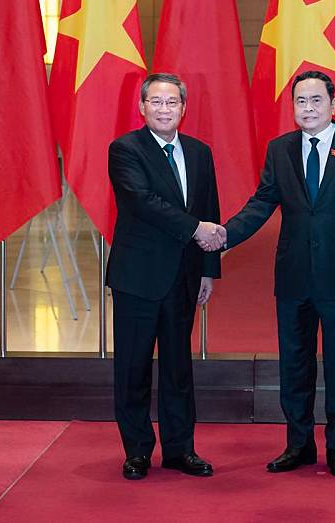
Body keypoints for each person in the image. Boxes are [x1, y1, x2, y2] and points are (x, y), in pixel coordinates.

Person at [208, 70, 335, 478]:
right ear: (293, 108)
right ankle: (299, 445)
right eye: (301, 101)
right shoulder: (280, 149)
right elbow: (262, 202)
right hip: (292, 276)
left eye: (316, 100)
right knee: (294, 364)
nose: (308, 108)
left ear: (333, 105)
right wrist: (224, 235)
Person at [106, 72, 224, 480]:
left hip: (184, 277)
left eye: (171, 102)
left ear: (183, 108)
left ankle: (180, 450)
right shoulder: (125, 150)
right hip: (137, 278)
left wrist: (209, 269)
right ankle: (137, 451)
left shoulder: (199, 152)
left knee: (178, 368)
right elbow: (143, 202)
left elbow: (210, 208)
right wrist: (195, 230)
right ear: (142, 107)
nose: (163, 109)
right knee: (133, 367)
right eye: (155, 102)